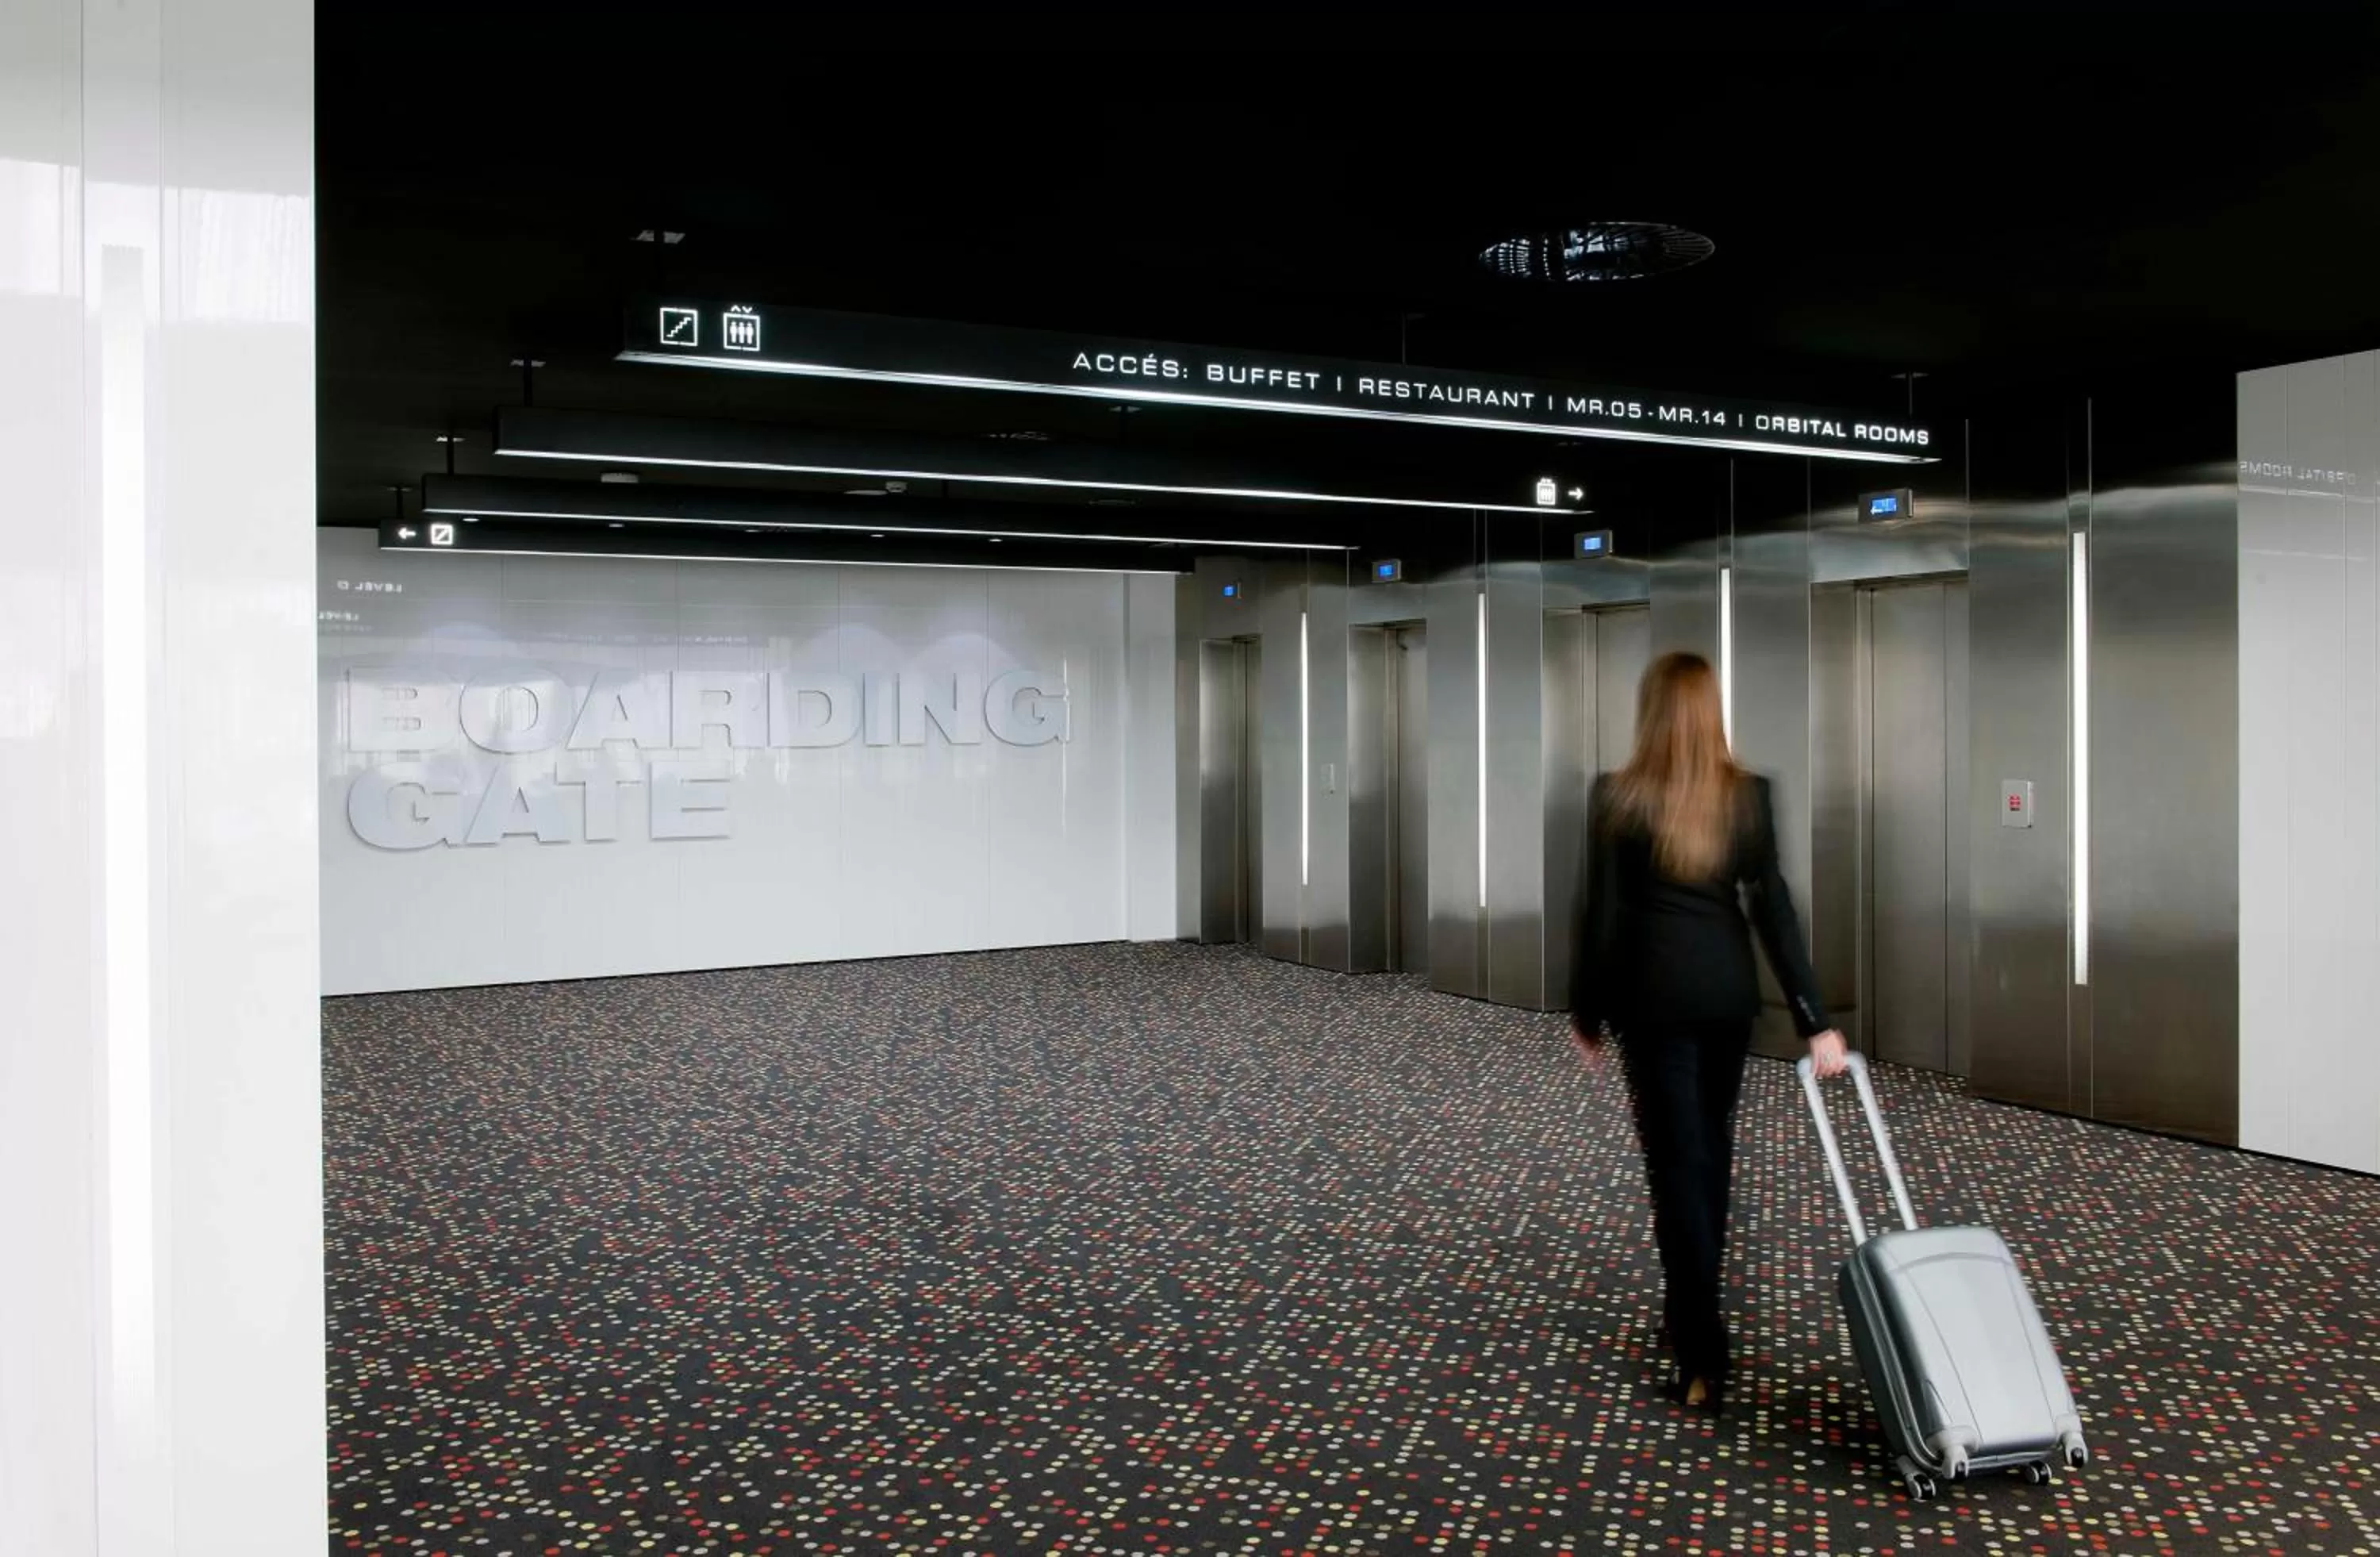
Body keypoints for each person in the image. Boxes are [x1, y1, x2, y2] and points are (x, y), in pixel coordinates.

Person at [1569, 651, 1848, 1412]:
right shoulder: (1748, 796)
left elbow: (1602, 918)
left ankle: (1700, 1348)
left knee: (1675, 1169)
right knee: (1710, 1157)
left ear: (1650, 713)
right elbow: (1774, 911)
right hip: (1727, 1001)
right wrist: (1814, 1019)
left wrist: (1587, 1013)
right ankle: (1691, 1313)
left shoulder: (1617, 797)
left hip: (1652, 1006)